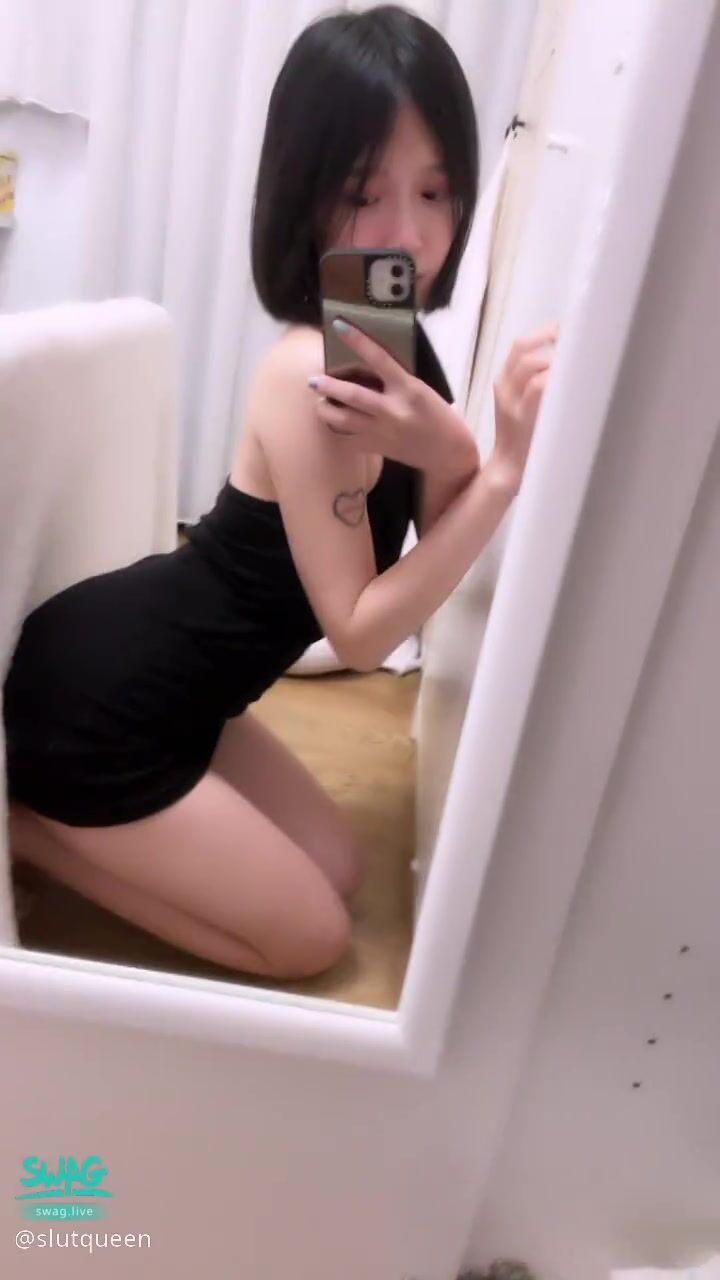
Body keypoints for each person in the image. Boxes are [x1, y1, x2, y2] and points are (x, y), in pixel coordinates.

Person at [4, 4, 557, 980]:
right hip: (100, 703)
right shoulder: (313, 376)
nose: (408, 232)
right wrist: (501, 467)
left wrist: (450, 444)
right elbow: (362, 632)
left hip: (193, 689)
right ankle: (24, 822)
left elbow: (435, 541)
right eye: (364, 193)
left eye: (435, 191)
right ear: (306, 196)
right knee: (310, 940)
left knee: (340, 867)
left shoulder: (385, 334)